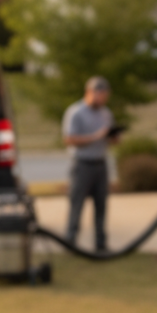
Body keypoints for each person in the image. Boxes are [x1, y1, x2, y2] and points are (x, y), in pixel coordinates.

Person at [62, 76, 118, 252]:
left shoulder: (106, 113)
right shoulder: (76, 112)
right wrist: (96, 136)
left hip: (100, 163)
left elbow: (108, 138)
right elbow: (69, 139)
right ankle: (70, 240)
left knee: (101, 204)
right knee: (77, 203)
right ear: (90, 92)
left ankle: (100, 243)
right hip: (82, 164)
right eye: (99, 94)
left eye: (105, 95)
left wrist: (112, 138)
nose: (101, 99)